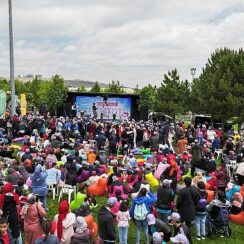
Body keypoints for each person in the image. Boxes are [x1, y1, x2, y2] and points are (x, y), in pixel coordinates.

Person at [176, 177, 198, 244]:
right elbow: (196, 200)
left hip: (183, 210)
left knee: (179, 224)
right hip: (191, 210)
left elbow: (179, 201)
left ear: (184, 183)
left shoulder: (182, 191)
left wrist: (177, 208)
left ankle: (180, 237)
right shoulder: (195, 190)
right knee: (188, 225)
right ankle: (188, 238)